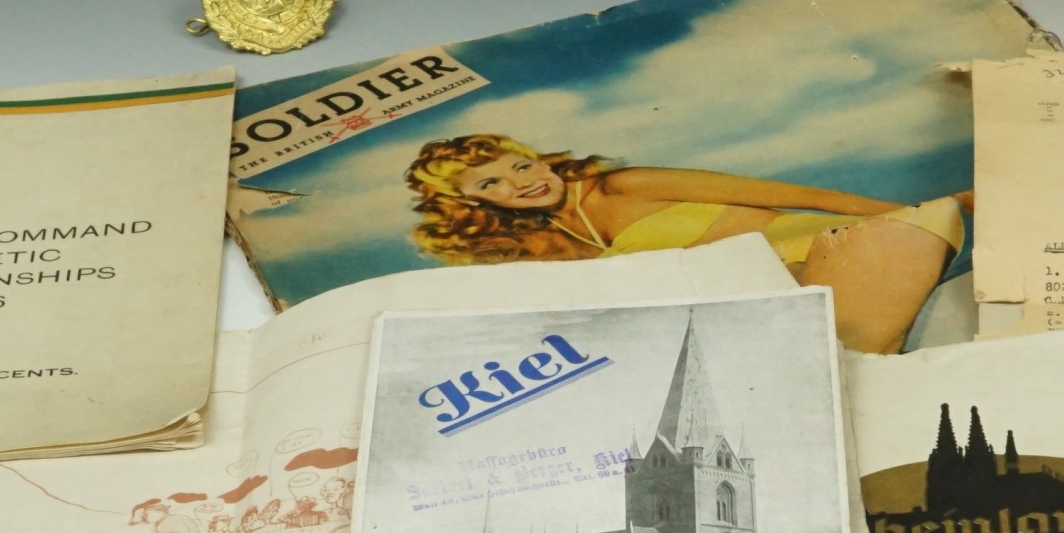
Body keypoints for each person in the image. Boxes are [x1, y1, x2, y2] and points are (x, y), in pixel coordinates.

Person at [404, 134, 968, 355]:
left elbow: (805, 195)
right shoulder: (546, 244)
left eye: (521, 165)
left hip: (840, 253)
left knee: (855, 356)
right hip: (753, 305)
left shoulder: (624, 183)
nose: (521, 182)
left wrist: (939, 209)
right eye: (491, 184)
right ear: (475, 204)